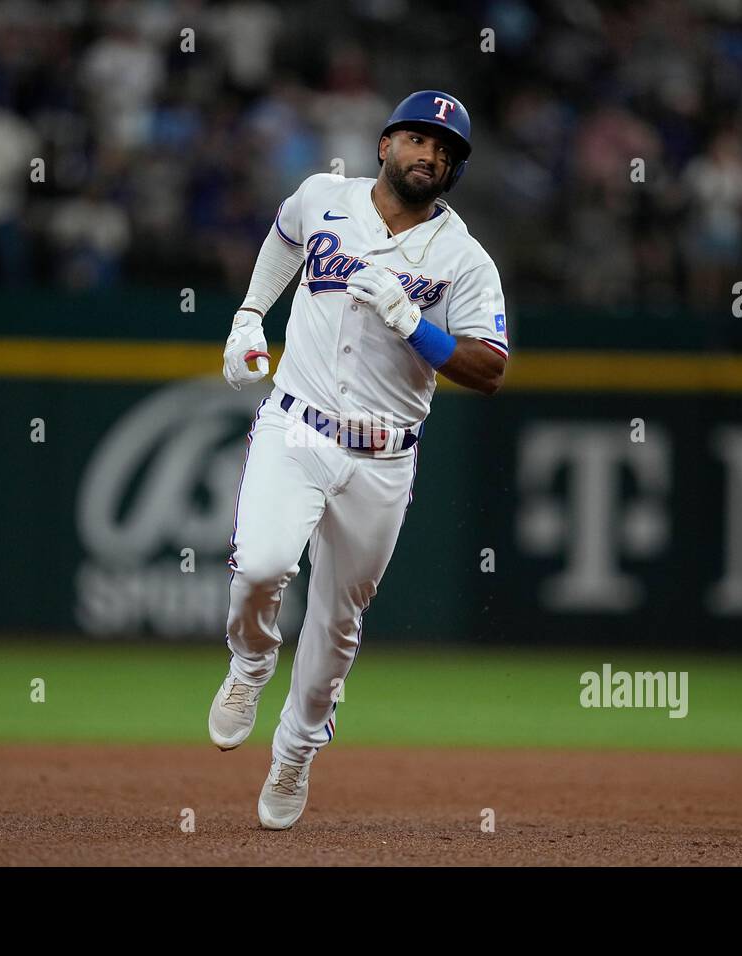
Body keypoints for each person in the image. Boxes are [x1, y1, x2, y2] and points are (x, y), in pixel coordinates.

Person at [209, 91, 510, 829]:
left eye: (445, 150)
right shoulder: (323, 198)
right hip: (297, 426)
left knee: (336, 626)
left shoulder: (462, 260)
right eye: (417, 138)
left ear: (453, 170)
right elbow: (283, 237)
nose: (429, 154)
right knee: (261, 566)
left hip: (382, 458)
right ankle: (250, 662)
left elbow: (490, 367)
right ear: (385, 144)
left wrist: (415, 324)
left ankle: (296, 753)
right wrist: (251, 313)